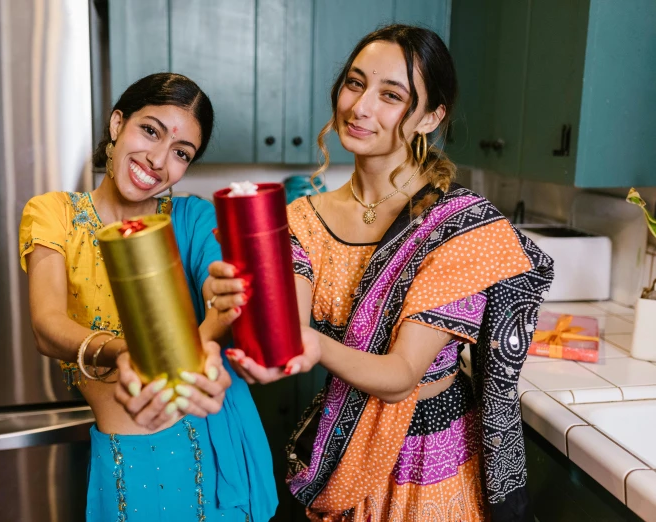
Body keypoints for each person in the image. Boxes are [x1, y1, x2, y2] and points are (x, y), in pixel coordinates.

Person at [226, 25, 553, 522]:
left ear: (429, 118)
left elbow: (401, 376)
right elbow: (286, 335)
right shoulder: (302, 219)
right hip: (343, 452)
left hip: (431, 462)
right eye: (355, 84)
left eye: (391, 95)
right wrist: (256, 338)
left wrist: (313, 346)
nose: (360, 107)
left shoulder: (458, 228)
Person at [19, 72, 277, 521]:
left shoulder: (192, 219)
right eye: (150, 131)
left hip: (210, 445)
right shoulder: (53, 214)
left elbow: (221, 299)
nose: (158, 159)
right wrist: (131, 353)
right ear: (118, 124)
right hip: (124, 456)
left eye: (181, 153)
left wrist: (224, 301)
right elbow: (47, 326)